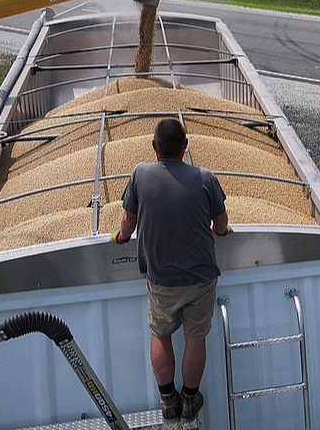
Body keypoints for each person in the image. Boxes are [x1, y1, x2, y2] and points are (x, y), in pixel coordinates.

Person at [115, 117, 229, 421]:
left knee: (161, 334)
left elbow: (128, 222)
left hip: (161, 279)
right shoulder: (206, 178)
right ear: (185, 146)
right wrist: (219, 231)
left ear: (154, 146)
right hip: (201, 277)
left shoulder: (140, 174)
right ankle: (190, 399)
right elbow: (221, 223)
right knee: (196, 338)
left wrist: (122, 237)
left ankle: (168, 400)